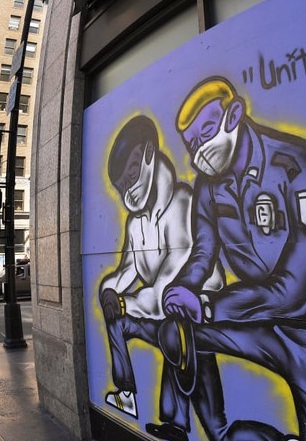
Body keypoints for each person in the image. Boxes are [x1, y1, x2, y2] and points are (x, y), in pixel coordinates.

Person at [158, 76, 306, 441]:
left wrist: (210, 307)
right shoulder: (209, 183)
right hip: (260, 312)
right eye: (192, 142)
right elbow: (204, 249)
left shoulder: (301, 170)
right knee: (179, 334)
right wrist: (183, 288)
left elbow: (294, 290)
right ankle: (220, 433)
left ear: (235, 114)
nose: (200, 150)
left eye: (207, 132)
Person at [99, 115, 227, 441]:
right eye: (122, 185)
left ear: (149, 153)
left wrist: (128, 303)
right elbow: (128, 270)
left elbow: (171, 285)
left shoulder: (182, 202)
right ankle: (129, 393)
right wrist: (110, 293)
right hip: (165, 314)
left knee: (215, 422)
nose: (128, 188)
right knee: (126, 321)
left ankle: (180, 423)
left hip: (198, 312)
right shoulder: (135, 224)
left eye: (131, 174)